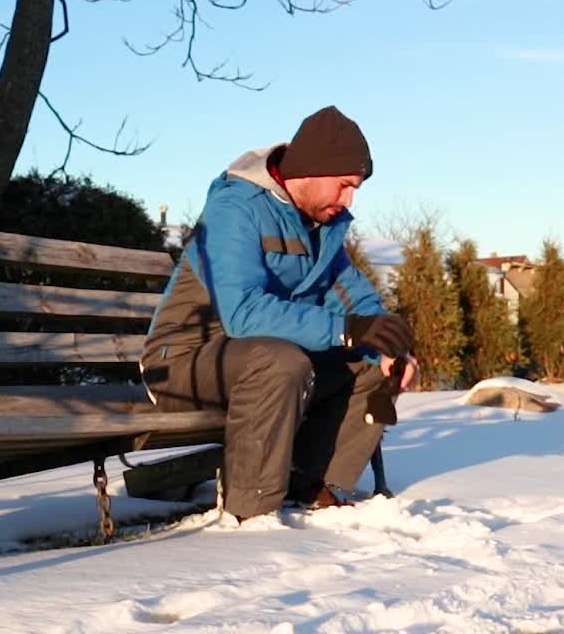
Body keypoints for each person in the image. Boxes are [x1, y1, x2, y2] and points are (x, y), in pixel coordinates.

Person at [140, 105, 419, 521]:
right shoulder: (235, 210)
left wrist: (390, 345)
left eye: (355, 188)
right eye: (343, 185)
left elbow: (353, 297)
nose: (349, 199)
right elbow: (242, 313)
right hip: (180, 361)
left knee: (370, 366)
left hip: (260, 361)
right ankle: (251, 513)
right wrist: (348, 330)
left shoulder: (320, 227)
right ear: (309, 171)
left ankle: (314, 483)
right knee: (280, 361)